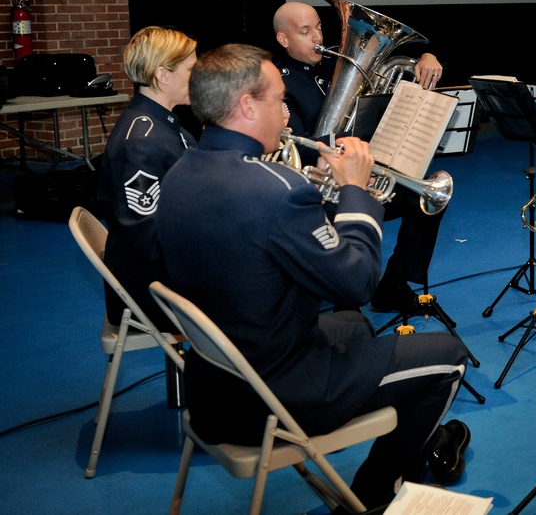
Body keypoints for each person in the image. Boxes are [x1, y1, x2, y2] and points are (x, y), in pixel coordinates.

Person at [155, 43, 470, 509]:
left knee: (355, 328)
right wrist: (356, 193)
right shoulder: (277, 189)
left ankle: (400, 435)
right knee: (448, 355)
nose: (287, 113)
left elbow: (266, 248)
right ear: (246, 105)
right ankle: (373, 494)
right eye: (279, 100)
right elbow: (358, 284)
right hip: (271, 397)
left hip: (215, 388)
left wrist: (321, 196)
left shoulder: (182, 171)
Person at [272, 1, 447, 312]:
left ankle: (393, 286)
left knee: (426, 201)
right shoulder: (278, 82)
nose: (317, 37)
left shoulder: (336, 62)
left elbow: (398, 63)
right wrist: (342, 144)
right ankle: (345, 304)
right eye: (305, 31)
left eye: (319, 28)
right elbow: (293, 147)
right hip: (317, 188)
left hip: (358, 174)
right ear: (284, 39)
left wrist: (426, 58)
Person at [98, 26, 197, 332]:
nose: (198, 77)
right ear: (163, 75)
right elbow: (150, 242)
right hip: (151, 290)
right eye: (191, 69)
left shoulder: (162, 124)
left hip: (158, 274)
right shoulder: (143, 143)